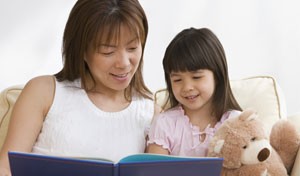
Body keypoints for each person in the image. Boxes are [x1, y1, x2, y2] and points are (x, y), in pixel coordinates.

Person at [0, 0, 160, 175]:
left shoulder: (151, 113)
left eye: (132, 48)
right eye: (108, 52)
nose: (123, 63)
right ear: (81, 50)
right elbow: (6, 168)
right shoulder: (44, 92)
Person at [147, 27, 242, 157]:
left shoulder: (237, 122)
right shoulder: (165, 124)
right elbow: (153, 170)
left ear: (217, 76)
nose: (187, 87)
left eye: (196, 77)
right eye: (177, 79)